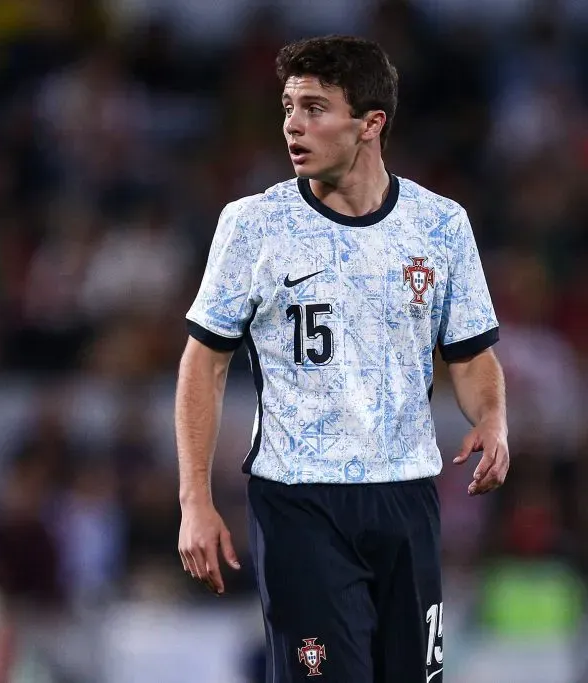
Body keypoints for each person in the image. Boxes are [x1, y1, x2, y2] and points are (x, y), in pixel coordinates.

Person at [175, 36, 508, 683]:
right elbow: (203, 362)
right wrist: (194, 498)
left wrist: (492, 417)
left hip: (408, 500)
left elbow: (470, 355)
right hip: (300, 502)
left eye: (315, 108)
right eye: (288, 106)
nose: (293, 125)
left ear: (370, 124)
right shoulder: (254, 227)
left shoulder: (440, 226)